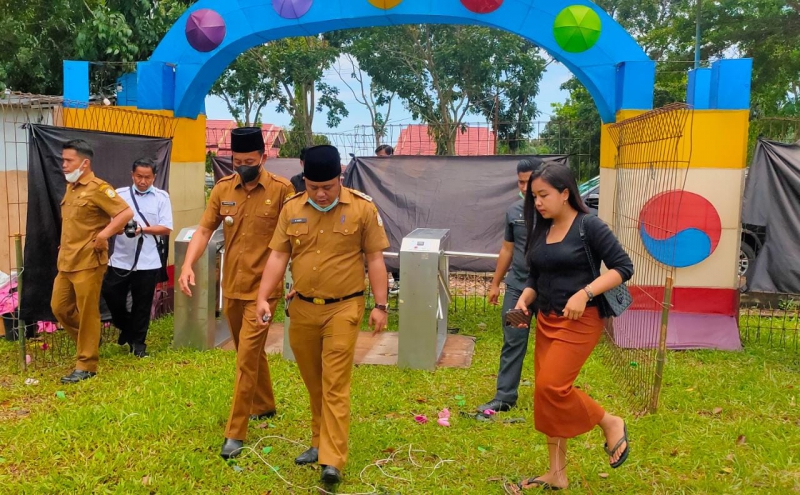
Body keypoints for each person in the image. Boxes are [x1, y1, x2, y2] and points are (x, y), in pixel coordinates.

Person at [255, 144, 390, 487]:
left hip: (345, 307)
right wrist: (263, 297)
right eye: (313, 187)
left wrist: (380, 304)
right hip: (301, 308)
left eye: (327, 186)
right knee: (314, 380)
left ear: (340, 176)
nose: (321, 193)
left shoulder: (361, 208)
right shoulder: (292, 209)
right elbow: (276, 257)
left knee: (335, 383)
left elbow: (375, 259)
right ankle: (318, 441)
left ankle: (332, 460)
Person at [506, 164, 633, 492]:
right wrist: (525, 297)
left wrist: (586, 292)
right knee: (546, 398)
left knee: (552, 387)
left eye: (544, 195)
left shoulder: (588, 225)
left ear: (565, 193)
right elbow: (536, 275)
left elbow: (623, 267)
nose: (537, 202)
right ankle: (556, 473)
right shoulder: (541, 228)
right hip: (547, 318)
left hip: (581, 319)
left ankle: (610, 422)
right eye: (534, 196)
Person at [177, 127, 294, 460]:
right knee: (248, 349)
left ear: (263, 158)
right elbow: (204, 230)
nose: (242, 166)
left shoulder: (282, 191)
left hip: (263, 292)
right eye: (237, 161)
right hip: (232, 288)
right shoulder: (224, 189)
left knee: (244, 361)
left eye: (249, 161)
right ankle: (266, 403)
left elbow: (293, 240)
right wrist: (188, 265)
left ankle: (235, 433)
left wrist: (294, 279)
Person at [51, 139, 134, 384]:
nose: (63, 165)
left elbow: (125, 213)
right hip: (66, 260)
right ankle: (89, 339)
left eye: (69, 160)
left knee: (88, 313)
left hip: (89, 260)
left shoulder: (99, 188)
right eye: (63, 160)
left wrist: (103, 235)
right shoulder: (72, 188)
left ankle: (87, 365)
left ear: (84, 163)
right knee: (60, 307)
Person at [476, 157, 542, 414]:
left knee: (550, 344)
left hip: (547, 290)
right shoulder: (514, 212)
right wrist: (495, 284)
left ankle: (550, 396)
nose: (524, 187)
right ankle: (505, 396)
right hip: (517, 289)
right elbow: (507, 249)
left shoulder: (555, 211)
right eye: (520, 182)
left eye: (529, 181)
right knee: (513, 340)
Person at [101, 158, 173, 358]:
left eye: (147, 177)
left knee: (142, 305)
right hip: (120, 260)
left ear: (154, 177)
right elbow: (109, 222)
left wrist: (143, 230)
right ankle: (128, 328)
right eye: (139, 176)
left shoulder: (161, 197)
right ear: (132, 175)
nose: (143, 181)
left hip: (148, 261)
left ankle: (139, 345)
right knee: (111, 296)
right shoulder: (120, 195)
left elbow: (166, 228)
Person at [374, 144, 399, 293]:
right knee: (381, 248)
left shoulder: (396, 174)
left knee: (395, 245)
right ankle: (384, 283)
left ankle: (398, 281)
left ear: (391, 157)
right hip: (380, 215)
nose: (379, 161)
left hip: (395, 216)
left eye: (382, 158)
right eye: (377, 158)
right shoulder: (373, 174)